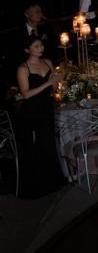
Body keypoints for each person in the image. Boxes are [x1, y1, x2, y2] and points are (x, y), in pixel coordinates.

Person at [14, 37, 64, 198]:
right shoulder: (23, 68)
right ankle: (37, 186)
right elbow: (26, 94)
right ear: (27, 50)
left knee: (48, 143)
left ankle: (52, 182)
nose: (40, 47)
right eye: (36, 46)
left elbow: (54, 86)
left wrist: (57, 81)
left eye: (41, 44)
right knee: (34, 147)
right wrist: (48, 84)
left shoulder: (48, 62)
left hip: (46, 107)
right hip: (30, 111)